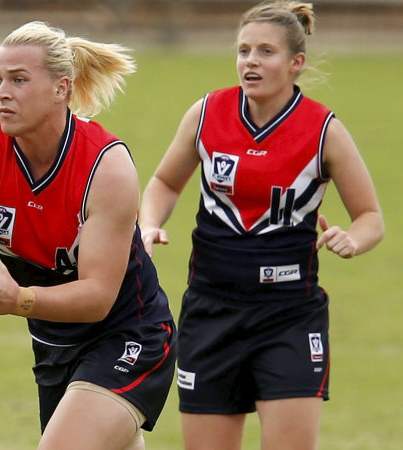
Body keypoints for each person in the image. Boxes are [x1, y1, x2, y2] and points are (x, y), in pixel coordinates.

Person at [138, 2, 385, 449]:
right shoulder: (207, 113)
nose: (250, 61)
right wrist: (149, 224)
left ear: (296, 63)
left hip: (288, 316)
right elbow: (164, 183)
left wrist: (353, 239)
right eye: (244, 50)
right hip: (210, 311)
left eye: (266, 52)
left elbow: (370, 217)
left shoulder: (323, 130)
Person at [0, 21, 177, 449]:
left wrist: (18, 300)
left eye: (19, 80)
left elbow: (98, 297)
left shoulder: (105, 165)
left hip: (128, 335)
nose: (2, 92)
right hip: (52, 343)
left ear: (61, 89)